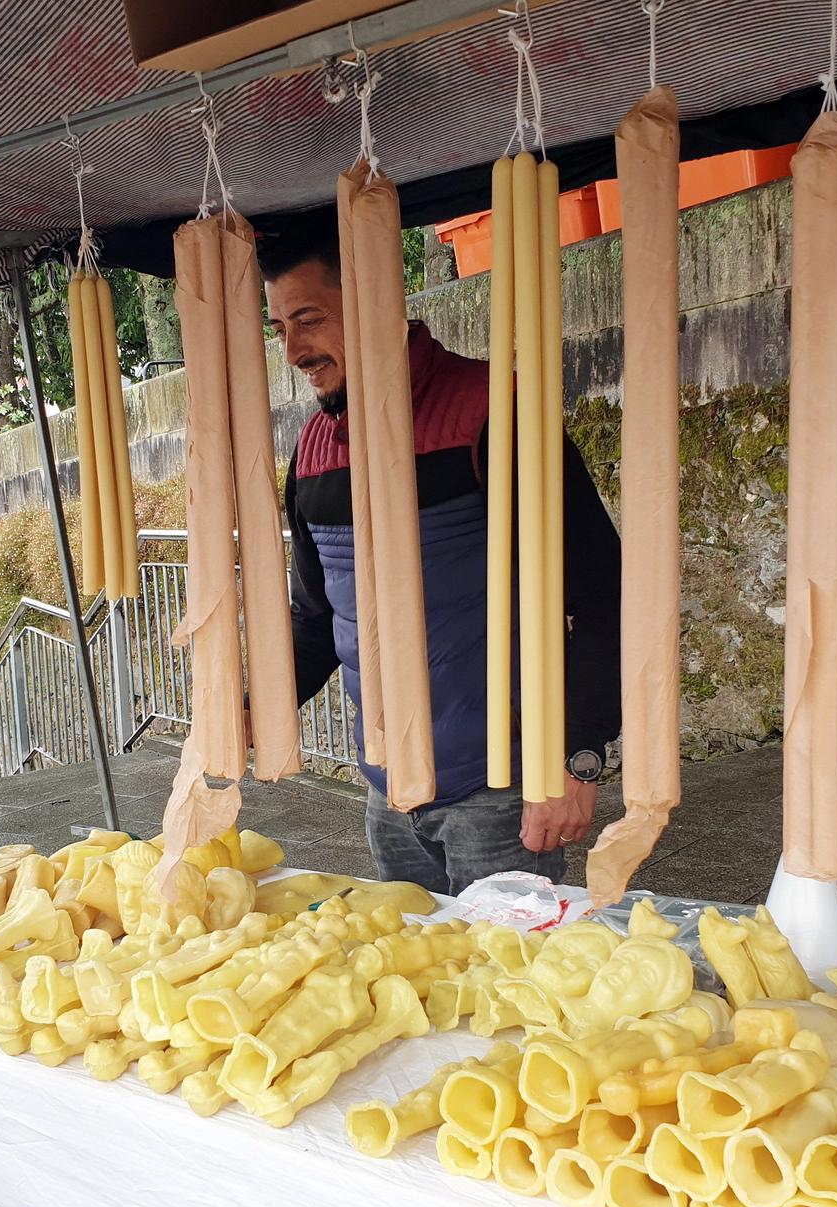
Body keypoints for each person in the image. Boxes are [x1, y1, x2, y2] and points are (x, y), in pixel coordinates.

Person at [260, 219, 625, 894]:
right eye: (280, 329)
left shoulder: (494, 413)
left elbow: (605, 595)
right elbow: (316, 619)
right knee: (421, 988)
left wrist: (578, 762)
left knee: (506, 990)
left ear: (375, 300)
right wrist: (254, 703)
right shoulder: (312, 453)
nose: (294, 353)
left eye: (309, 321)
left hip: (504, 795)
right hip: (388, 798)